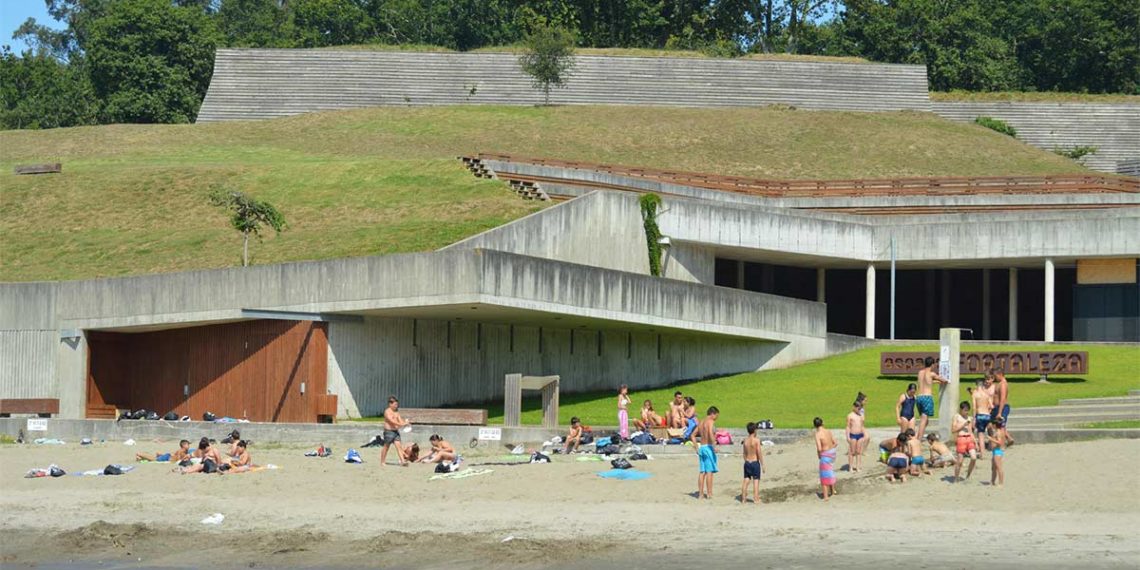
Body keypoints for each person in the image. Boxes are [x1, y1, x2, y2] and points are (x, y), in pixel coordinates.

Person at [916, 356, 949, 441]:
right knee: (924, 420)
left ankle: (918, 435)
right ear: (932, 364)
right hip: (927, 397)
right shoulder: (932, 374)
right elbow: (944, 380)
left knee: (925, 421)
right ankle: (918, 438)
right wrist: (943, 380)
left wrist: (935, 382)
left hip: (919, 397)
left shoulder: (920, 373)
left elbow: (926, 381)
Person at [690, 406, 720, 499]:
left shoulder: (701, 422)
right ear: (712, 414)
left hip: (702, 447)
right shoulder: (710, 421)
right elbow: (711, 433)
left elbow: (692, 435)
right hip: (708, 447)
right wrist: (714, 445)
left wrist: (696, 447)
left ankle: (700, 494)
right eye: (716, 416)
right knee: (709, 471)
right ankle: (709, 493)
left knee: (702, 471)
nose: (716, 418)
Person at [952, 401, 978, 482]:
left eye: (967, 410)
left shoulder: (969, 418)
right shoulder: (956, 417)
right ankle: (956, 477)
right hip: (961, 438)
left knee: (974, 458)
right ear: (961, 409)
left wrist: (976, 443)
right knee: (960, 461)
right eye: (965, 410)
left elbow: (970, 431)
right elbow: (953, 430)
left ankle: (968, 475)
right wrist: (963, 425)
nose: (966, 412)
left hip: (969, 438)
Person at [381, 395, 409, 467]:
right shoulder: (387, 411)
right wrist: (401, 424)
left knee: (399, 446)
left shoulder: (396, 412)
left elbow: (400, 420)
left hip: (396, 432)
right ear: (390, 404)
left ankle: (403, 461)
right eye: (395, 404)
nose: (396, 406)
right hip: (388, 432)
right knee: (386, 447)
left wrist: (405, 423)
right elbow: (392, 421)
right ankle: (382, 461)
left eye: (397, 404)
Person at [740, 422, 764, 505]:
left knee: (746, 480)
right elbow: (759, 453)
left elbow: (744, 453)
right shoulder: (756, 440)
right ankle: (756, 498)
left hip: (747, 462)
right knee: (756, 481)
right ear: (754, 430)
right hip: (754, 462)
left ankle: (743, 499)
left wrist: (746, 461)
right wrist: (762, 464)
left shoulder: (745, 441)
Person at [814, 417, 838, 501]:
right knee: (830, 471)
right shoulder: (828, 431)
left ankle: (826, 496)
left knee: (824, 475)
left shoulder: (817, 434)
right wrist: (831, 450)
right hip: (832, 454)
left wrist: (819, 455)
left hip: (826, 455)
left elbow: (819, 448)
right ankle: (833, 490)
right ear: (822, 423)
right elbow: (836, 443)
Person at [972, 377, 994, 453]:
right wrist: (988, 410)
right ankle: (992, 446)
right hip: (987, 415)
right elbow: (991, 406)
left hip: (980, 415)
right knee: (990, 431)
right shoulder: (986, 394)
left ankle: (982, 453)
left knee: (981, 435)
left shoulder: (975, 394)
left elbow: (974, 407)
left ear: (976, 385)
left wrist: (974, 418)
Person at [986, 417, 1009, 487]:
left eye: (992, 424)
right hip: (995, 451)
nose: (991, 425)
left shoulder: (998, 432)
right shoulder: (999, 431)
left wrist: (991, 439)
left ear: (995, 425)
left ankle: (1001, 483)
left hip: (997, 451)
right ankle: (992, 481)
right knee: (993, 468)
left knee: (999, 467)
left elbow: (999, 442)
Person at [845, 401, 866, 472]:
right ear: (854, 407)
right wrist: (847, 436)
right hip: (853, 435)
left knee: (859, 451)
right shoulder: (850, 415)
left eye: (860, 409)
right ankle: (850, 467)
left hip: (860, 435)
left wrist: (864, 435)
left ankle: (858, 466)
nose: (859, 410)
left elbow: (862, 426)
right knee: (852, 452)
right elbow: (848, 427)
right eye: (858, 408)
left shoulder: (861, 416)